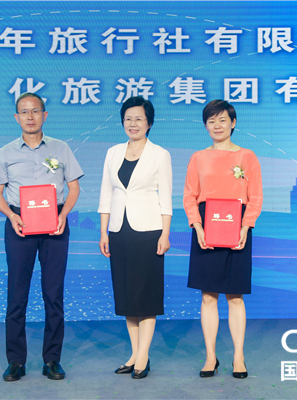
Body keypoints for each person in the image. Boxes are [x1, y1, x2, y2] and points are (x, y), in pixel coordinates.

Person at [0, 92, 84, 382]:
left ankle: (52, 359)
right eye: (24, 111)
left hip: (54, 223)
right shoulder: (5, 153)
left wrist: (63, 214)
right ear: (16, 117)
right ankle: (15, 361)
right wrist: (11, 215)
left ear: (45, 115)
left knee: (53, 294)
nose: (30, 116)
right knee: (17, 295)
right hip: (20, 224)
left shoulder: (61, 148)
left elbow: (74, 188)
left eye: (35, 111)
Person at [183, 100, 263, 379]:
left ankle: (238, 357)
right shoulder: (198, 158)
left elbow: (255, 197)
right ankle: (210, 357)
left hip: (237, 226)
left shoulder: (247, 157)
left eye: (222, 120)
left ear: (233, 123)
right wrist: (197, 226)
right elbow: (190, 196)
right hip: (206, 227)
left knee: (235, 296)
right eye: (211, 121)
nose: (217, 126)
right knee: (208, 296)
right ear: (205, 126)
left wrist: (245, 226)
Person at [98, 96, 172, 379]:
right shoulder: (113, 152)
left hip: (149, 232)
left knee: (146, 295)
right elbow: (106, 193)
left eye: (139, 119)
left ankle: (143, 356)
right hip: (119, 231)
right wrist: (103, 231)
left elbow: (166, 197)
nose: (133, 123)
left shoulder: (160, 154)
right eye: (128, 119)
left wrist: (165, 233)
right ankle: (134, 354)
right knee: (128, 296)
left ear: (149, 123)